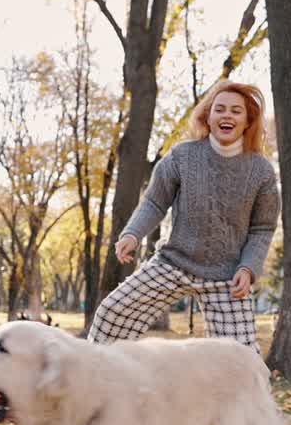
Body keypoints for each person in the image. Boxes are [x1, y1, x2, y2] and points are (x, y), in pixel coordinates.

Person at [89, 80, 280, 350]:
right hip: (174, 263)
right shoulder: (182, 156)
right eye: (220, 109)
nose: (227, 115)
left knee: (242, 355)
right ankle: (95, 372)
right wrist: (132, 234)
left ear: (248, 121)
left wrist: (248, 268)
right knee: (111, 313)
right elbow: (155, 202)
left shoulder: (261, 171)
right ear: (208, 117)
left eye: (236, 111)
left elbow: (262, 228)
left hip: (227, 276)